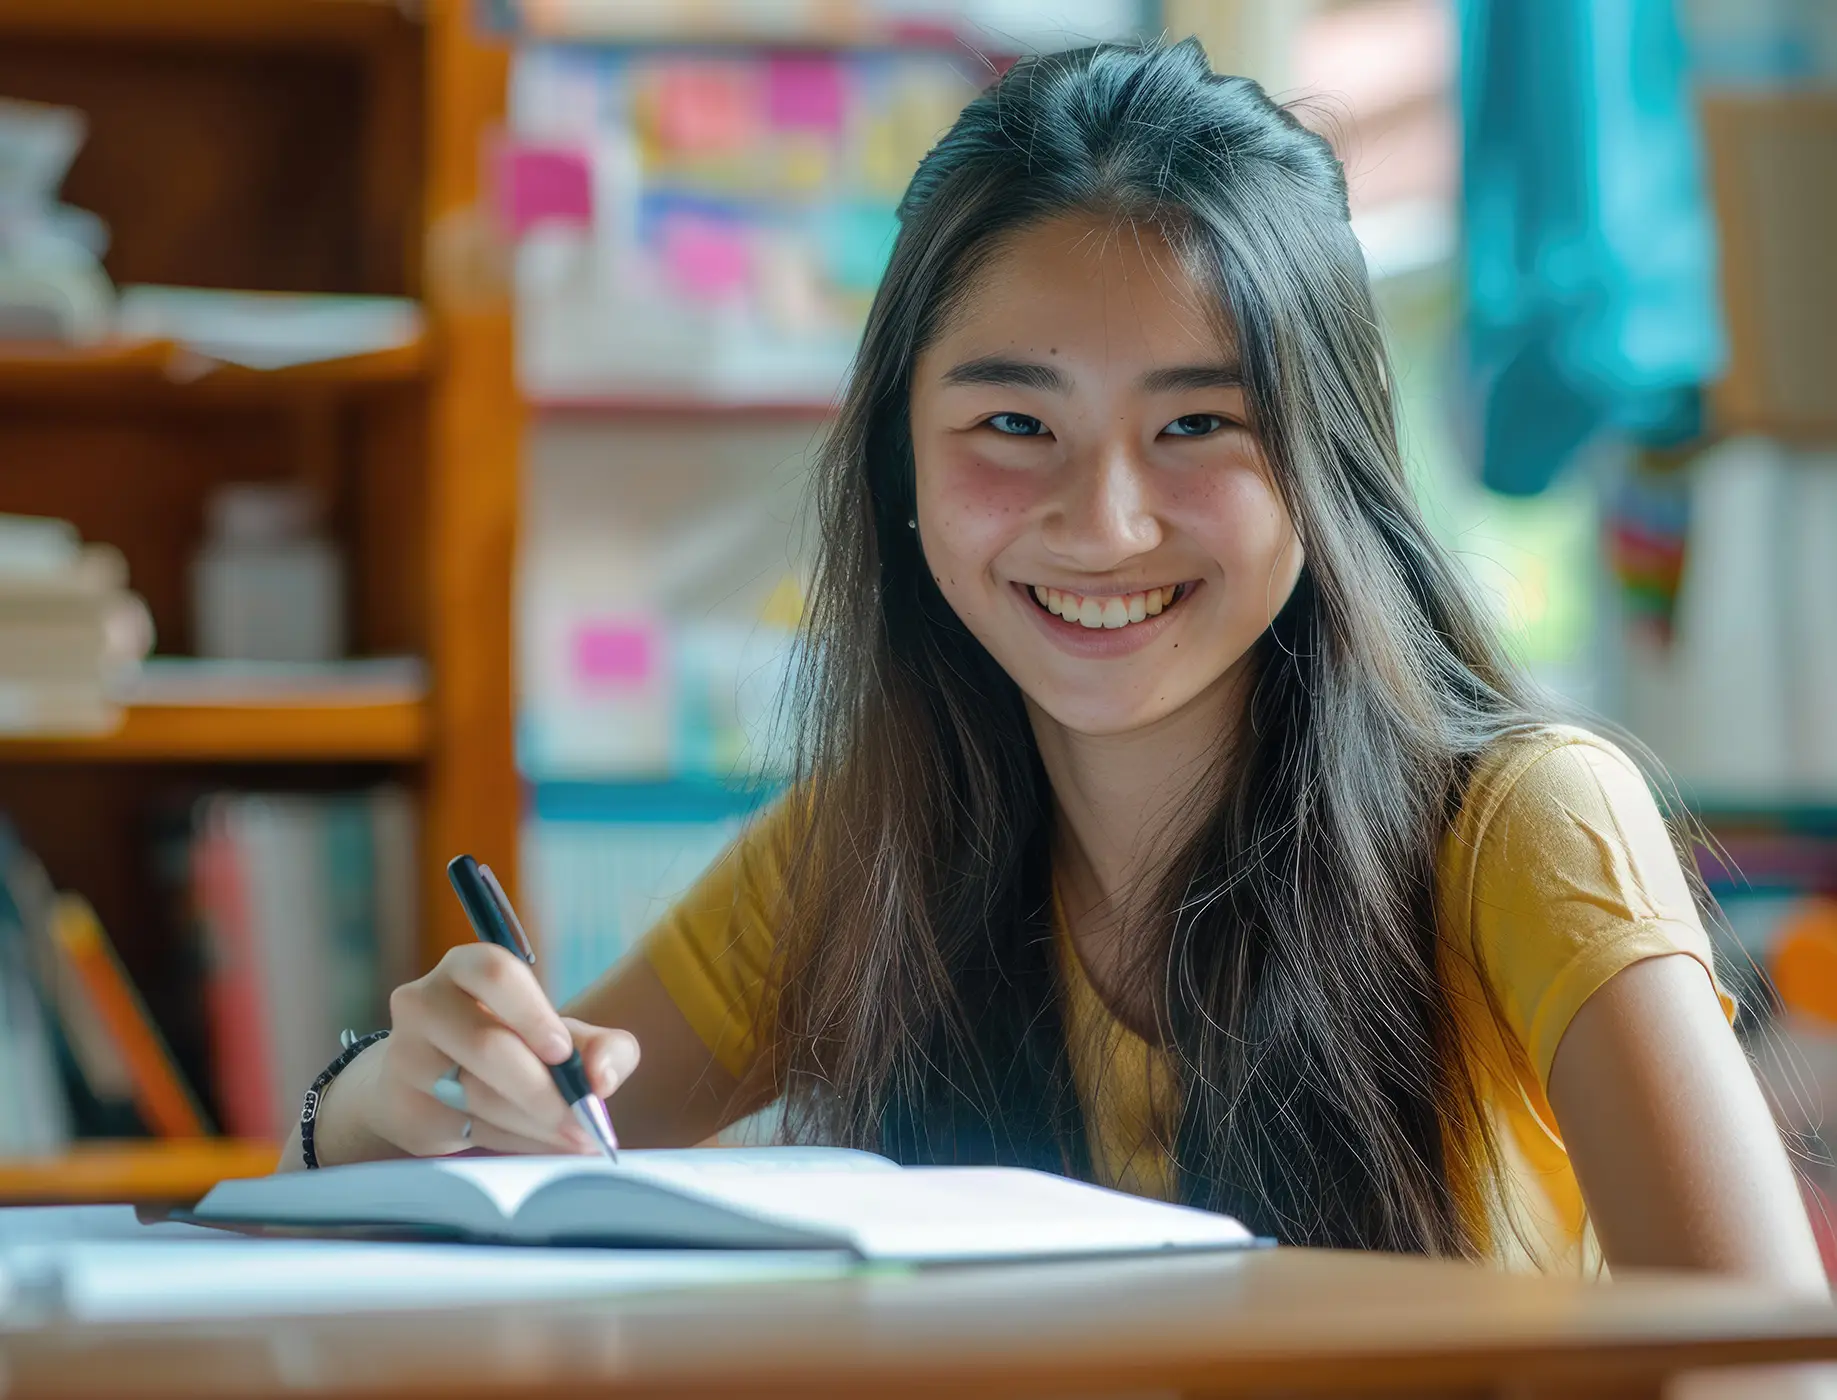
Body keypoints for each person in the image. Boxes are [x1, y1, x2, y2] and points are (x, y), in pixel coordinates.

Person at [288, 39, 1823, 1283]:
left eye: (1198, 424)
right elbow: (545, 1159)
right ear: (901, 456)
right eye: (1013, 424)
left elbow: (1759, 1366)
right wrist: (393, 1091)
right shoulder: (866, 845)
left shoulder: (1523, 824)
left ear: (1328, 465)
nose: (1103, 520)